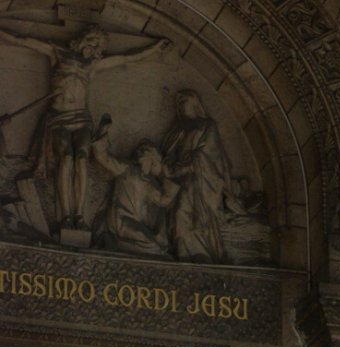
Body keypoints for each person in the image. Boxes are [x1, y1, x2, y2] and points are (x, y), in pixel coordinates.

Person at [0, 23, 169, 229]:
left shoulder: (92, 66)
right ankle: (65, 216)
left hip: (82, 119)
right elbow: (22, 40)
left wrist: (154, 48)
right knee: (67, 158)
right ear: (85, 40)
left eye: (100, 47)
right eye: (95, 43)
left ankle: (79, 215)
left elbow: (125, 58)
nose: (98, 50)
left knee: (81, 159)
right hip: (59, 118)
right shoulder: (58, 53)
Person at [161, 89, 238, 262]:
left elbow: (209, 155)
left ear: (195, 103)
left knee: (190, 216)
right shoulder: (176, 130)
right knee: (177, 216)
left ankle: (200, 256)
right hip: (176, 181)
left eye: (185, 101)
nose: (181, 105)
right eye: (179, 103)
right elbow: (168, 153)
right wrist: (169, 168)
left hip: (198, 181)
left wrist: (186, 167)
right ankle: (181, 254)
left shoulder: (207, 125)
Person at [91, 129, 178, 256]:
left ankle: (115, 244)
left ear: (153, 159)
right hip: (120, 219)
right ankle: (112, 242)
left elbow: (164, 200)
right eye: (139, 151)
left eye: (144, 151)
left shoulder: (151, 184)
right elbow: (106, 160)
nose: (139, 153)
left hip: (134, 223)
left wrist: (167, 176)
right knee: (152, 245)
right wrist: (100, 141)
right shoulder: (127, 169)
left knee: (153, 243)